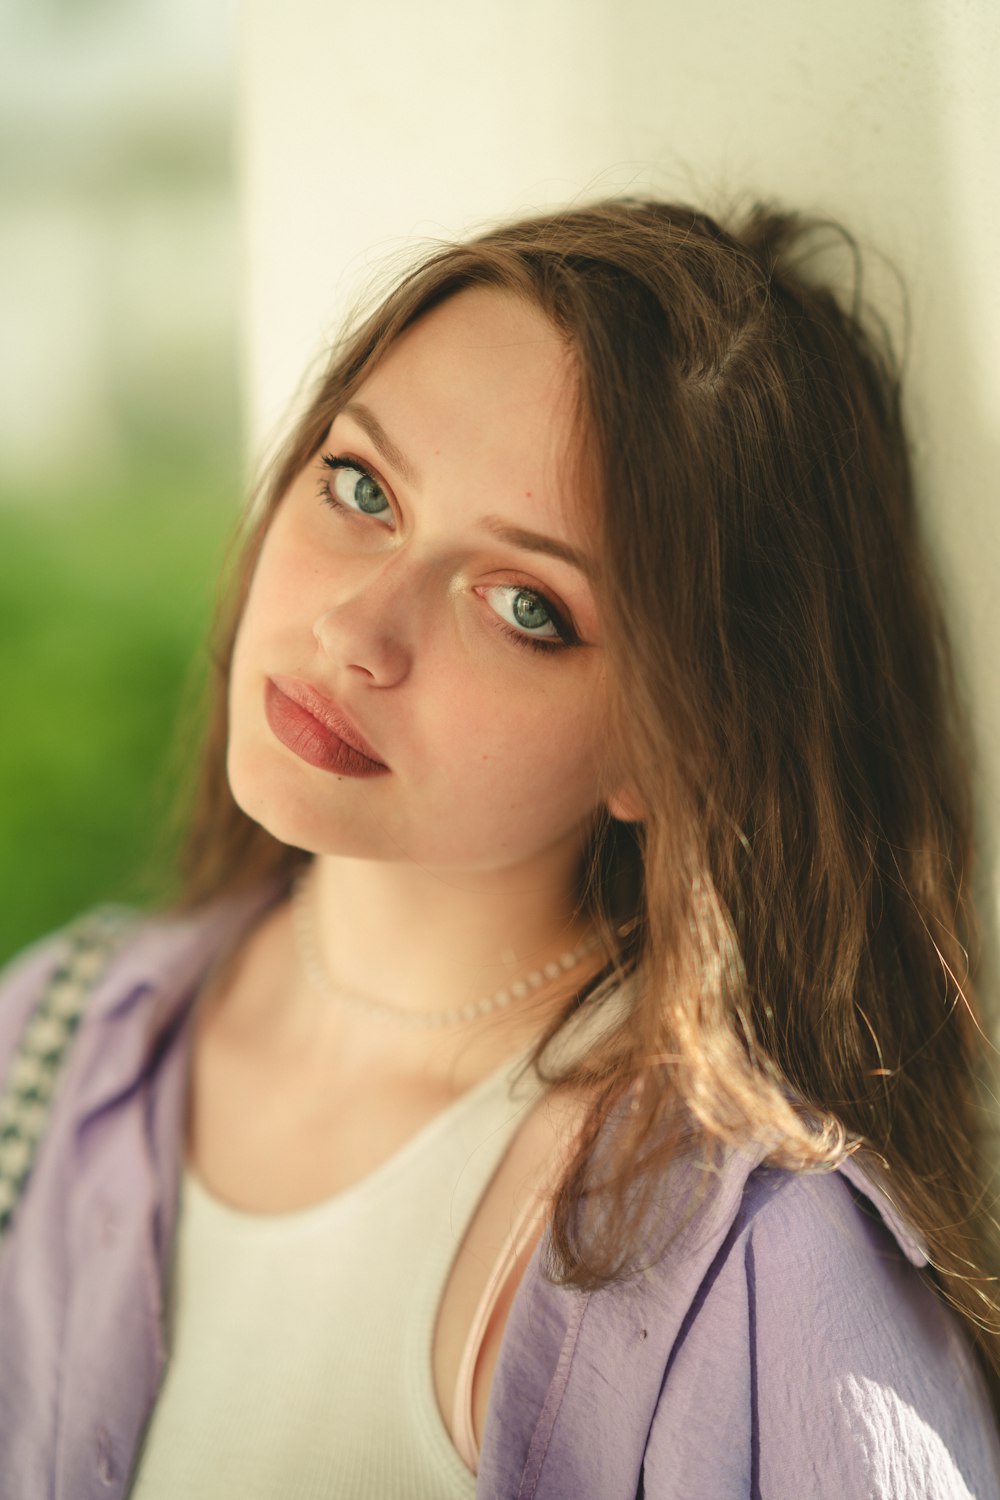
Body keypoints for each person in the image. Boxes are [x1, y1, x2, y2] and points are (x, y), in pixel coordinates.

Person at [1, 198, 998, 1499]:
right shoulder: (52, 1047)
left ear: (677, 738)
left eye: (527, 606)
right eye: (361, 488)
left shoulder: (760, 1269)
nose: (361, 628)